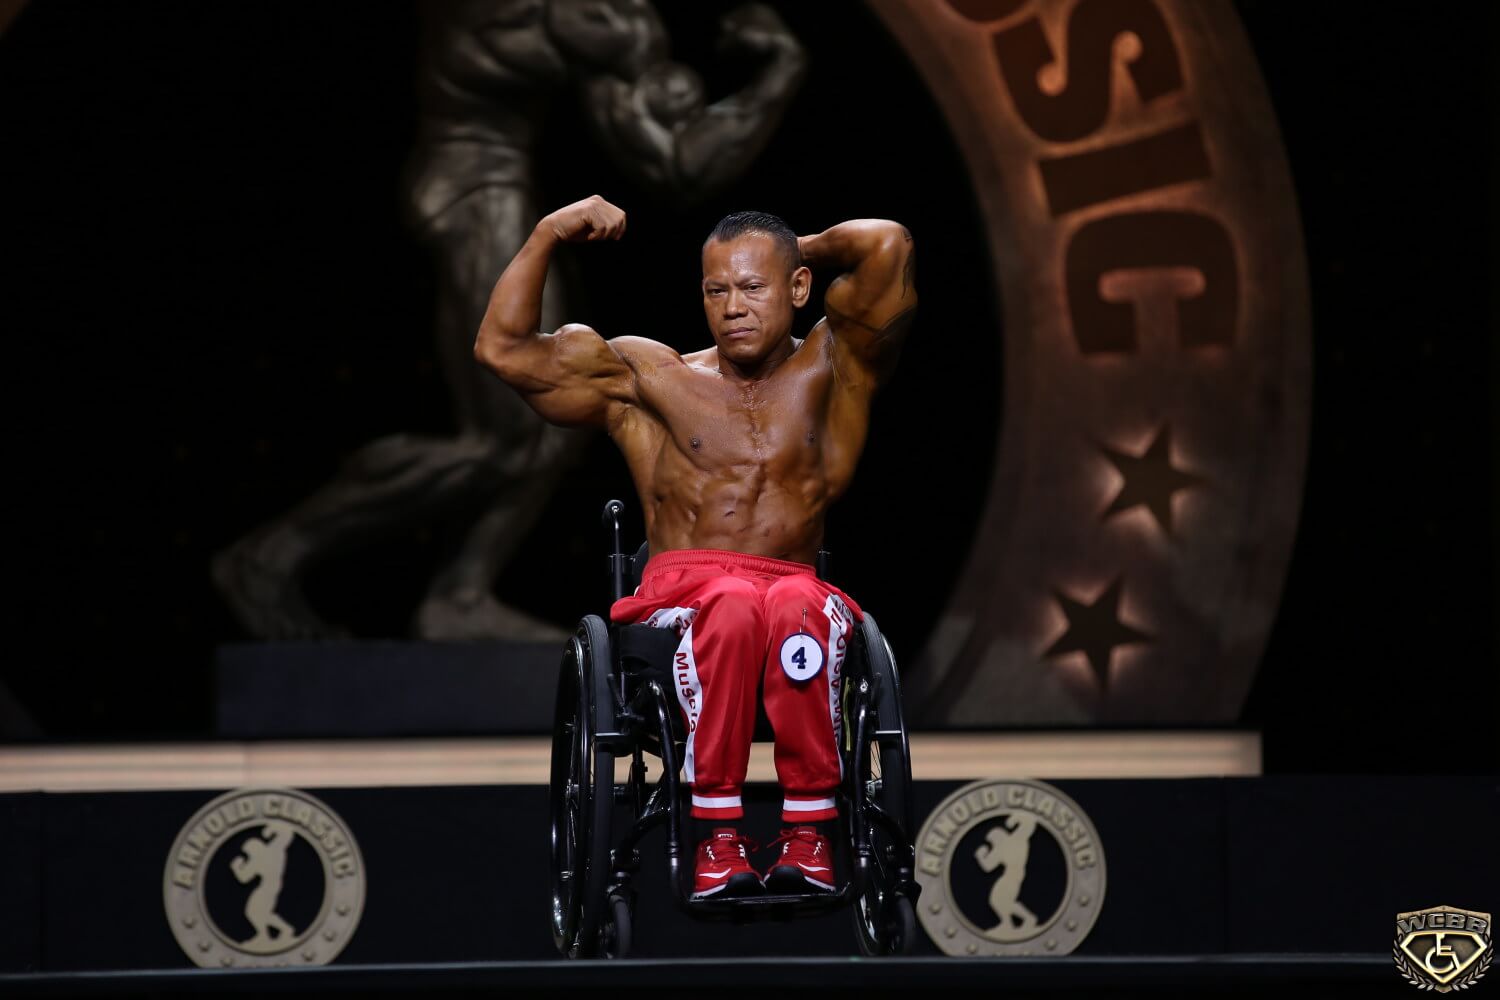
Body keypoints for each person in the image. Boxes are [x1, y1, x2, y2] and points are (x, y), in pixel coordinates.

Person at [474, 195, 915, 898]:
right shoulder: (653, 378)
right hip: (685, 590)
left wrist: (789, 244)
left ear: (799, 287)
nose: (733, 306)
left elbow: (888, 243)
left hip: (793, 585)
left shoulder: (836, 366)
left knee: (797, 603)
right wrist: (547, 233)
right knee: (734, 602)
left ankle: (808, 836)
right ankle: (717, 837)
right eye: (716, 290)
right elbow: (503, 349)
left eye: (753, 286)